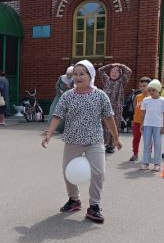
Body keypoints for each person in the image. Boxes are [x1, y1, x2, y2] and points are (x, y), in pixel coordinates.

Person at [41, 60, 121, 224]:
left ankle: (94, 206)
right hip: (72, 140)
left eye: (82, 74)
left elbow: (109, 117)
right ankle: (74, 200)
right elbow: (58, 115)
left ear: (90, 75)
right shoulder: (68, 95)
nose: (77, 77)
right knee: (67, 172)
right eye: (75, 74)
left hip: (94, 140)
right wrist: (49, 133)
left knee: (99, 173)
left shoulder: (100, 95)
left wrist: (116, 137)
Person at [97, 62, 132, 153]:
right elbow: (100, 70)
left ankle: (111, 145)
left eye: (116, 72)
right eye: (112, 71)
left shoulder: (121, 82)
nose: (113, 73)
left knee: (113, 125)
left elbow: (128, 71)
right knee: (103, 124)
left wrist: (120, 65)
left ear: (120, 74)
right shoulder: (106, 80)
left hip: (116, 108)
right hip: (104, 107)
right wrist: (111, 65)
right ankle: (101, 143)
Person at [140, 79, 164, 172]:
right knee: (147, 144)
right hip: (147, 124)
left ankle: (157, 164)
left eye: (154, 90)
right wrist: (142, 124)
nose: (151, 92)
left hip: (158, 126)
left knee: (157, 144)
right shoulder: (146, 100)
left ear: (158, 90)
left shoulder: (163, 101)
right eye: (150, 90)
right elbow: (143, 114)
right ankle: (145, 162)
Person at [129, 77, 151, 162]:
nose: (142, 88)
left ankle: (147, 155)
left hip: (147, 123)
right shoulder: (137, 96)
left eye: (144, 86)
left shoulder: (150, 98)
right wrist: (134, 119)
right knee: (136, 139)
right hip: (137, 121)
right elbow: (135, 107)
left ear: (149, 86)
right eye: (140, 86)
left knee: (147, 140)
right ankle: (135, 154)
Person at [48, 66, 74, 134]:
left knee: (66, 113)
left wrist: (69, 88)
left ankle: (64, 128)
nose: (68, 75)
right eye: (67, 74)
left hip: (68, 98)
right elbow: (56, 86)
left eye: (70, 74)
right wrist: (60, 91)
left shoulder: (73, 79)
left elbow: (74, 88)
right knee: (54, 109)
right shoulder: (61, 77)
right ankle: (54, 127)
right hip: (59, 97)